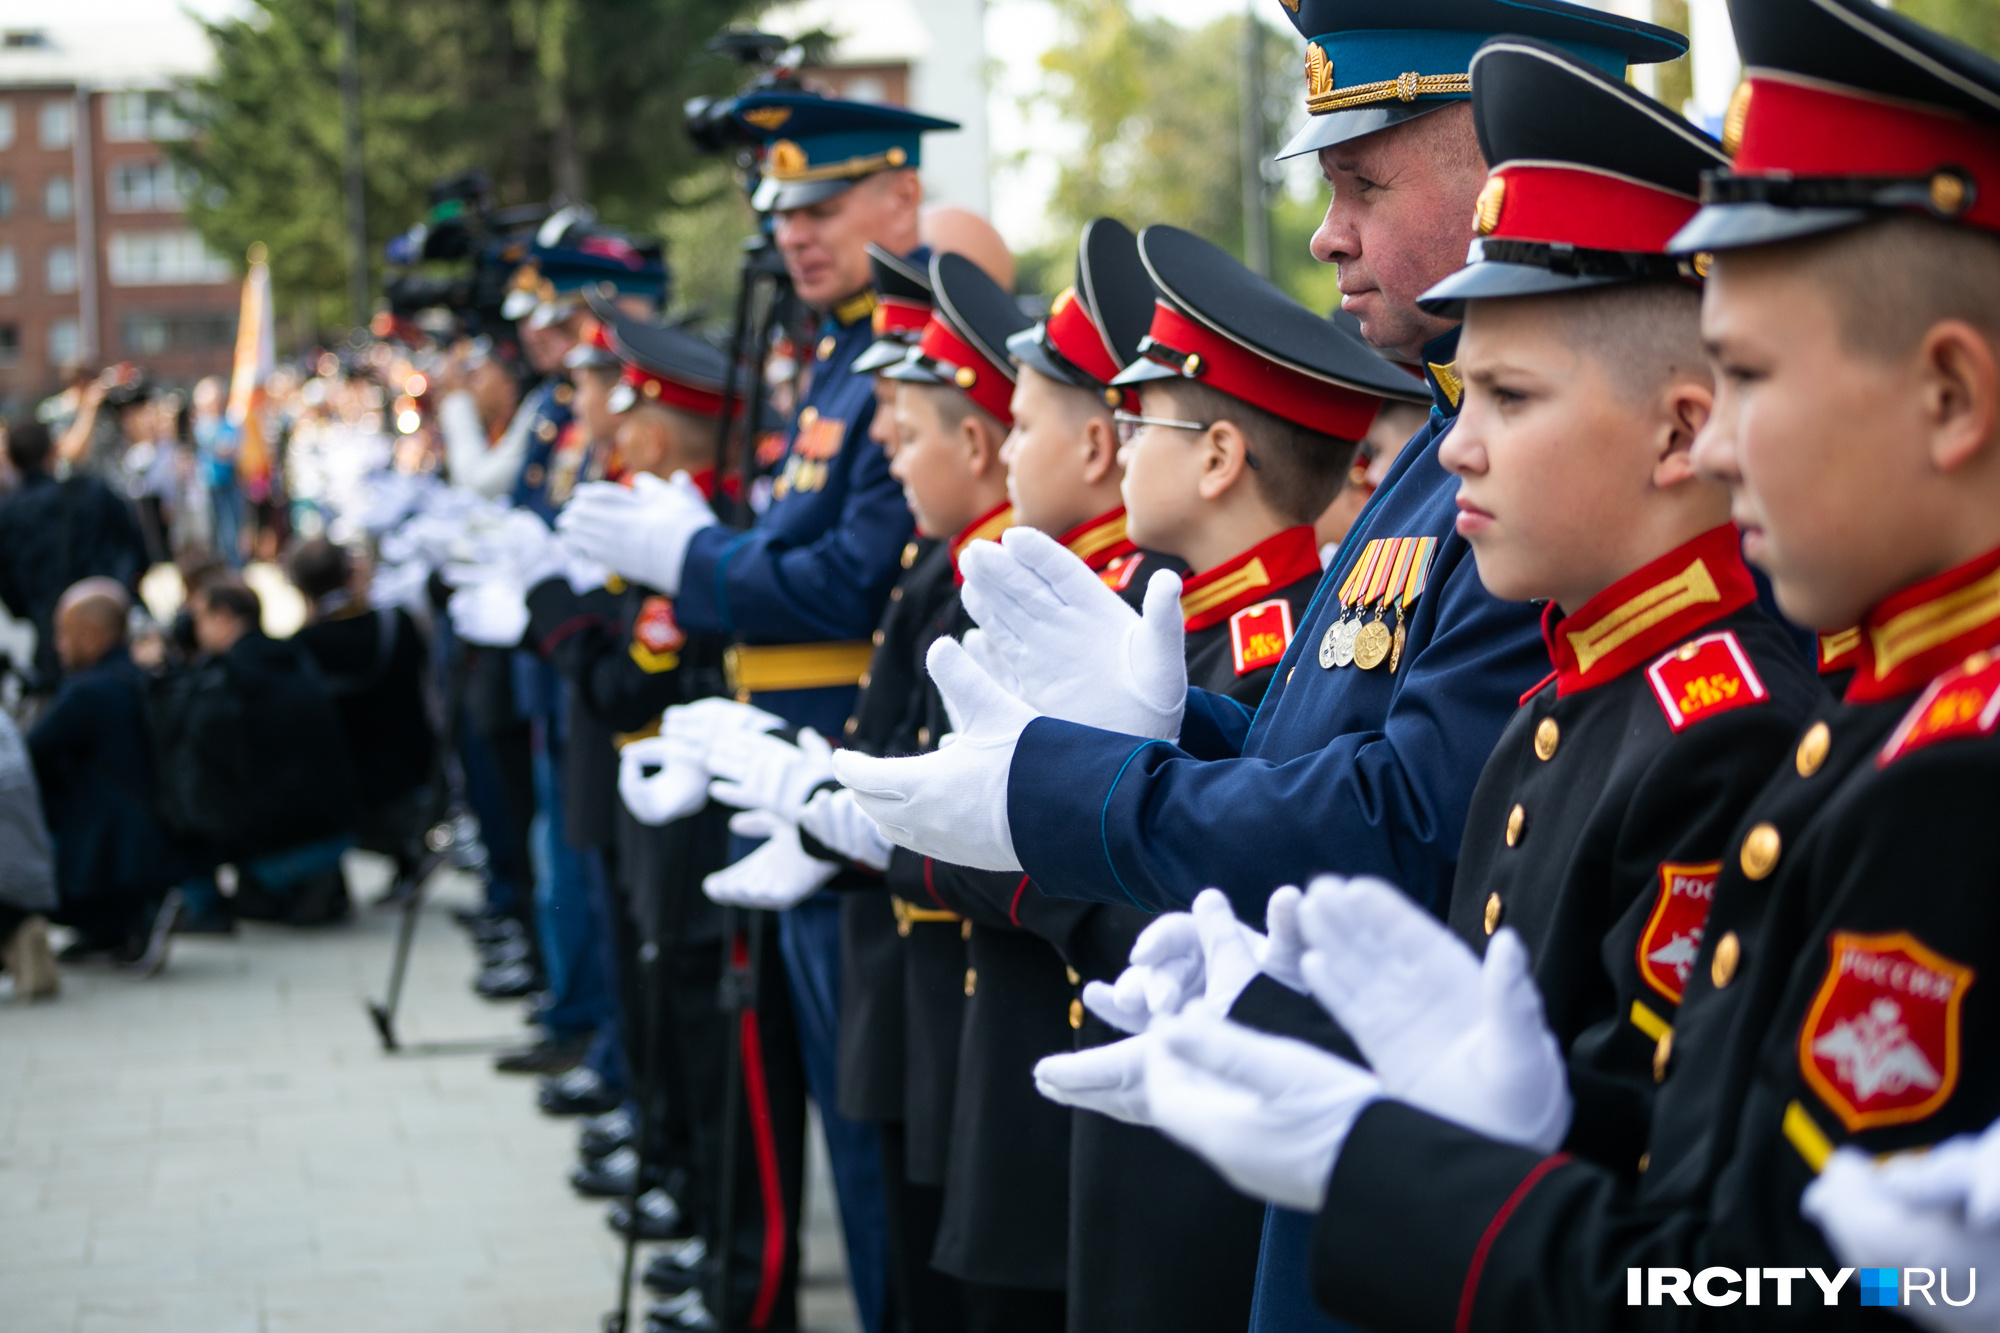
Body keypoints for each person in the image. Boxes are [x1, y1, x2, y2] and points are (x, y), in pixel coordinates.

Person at [1113, 3, 2000, 1328]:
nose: (1722, 444)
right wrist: (1513, 1110)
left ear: (1949, 398)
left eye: (1749, 377)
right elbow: (1714, 1192)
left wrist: (1395, 1162)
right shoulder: (1859, 722)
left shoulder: (1918, 762)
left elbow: (1740, 1279)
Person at [829, 2, 1688, 1323]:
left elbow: (1413, 808)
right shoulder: (1439, 465)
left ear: (1496, 154)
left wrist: (1091, 789)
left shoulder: (1550, 488)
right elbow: (1340, 739)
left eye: (1361, 182)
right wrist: (1177, 725)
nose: (1326, 233)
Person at [559, 89, 965, 1333]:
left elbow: (847, 573)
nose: (795, 231)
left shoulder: (897, 357)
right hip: (781, 766)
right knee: (817, 1089)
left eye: (825, 204)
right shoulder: (833, 361)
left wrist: (693, 560)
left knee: (867, 1120)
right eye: (784, 207)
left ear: (902, 198)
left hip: (847, 759)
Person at [156, 581, 361, 926]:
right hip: (337, 826)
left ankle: (207, 905)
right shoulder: (292, 658)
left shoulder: (227, 677)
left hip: (279, 837)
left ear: (224, 618)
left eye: (199, 618)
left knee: (184, 791)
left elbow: (195, 766)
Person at [27, 578, 182, 973]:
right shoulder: (132, 674)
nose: (58, 645)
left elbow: (34, 748)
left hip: (110, 838)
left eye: (63, 634)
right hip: (145, 826)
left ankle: (123, 921)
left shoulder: (88, 692)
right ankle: (109, 930)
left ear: (91, 634)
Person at [287, 539, 436, 890]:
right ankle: (410, 855)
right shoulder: (396, 623)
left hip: (346, 775)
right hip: (405, 764)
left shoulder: (304, 644)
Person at [0, 420, 149, 693]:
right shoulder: (92, 491)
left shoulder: (8, 513)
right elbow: (137, 548)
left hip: (51, 635)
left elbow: (7, 584)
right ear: (52, 451)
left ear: (10, 459)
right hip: (108, 629)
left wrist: (37, 612)